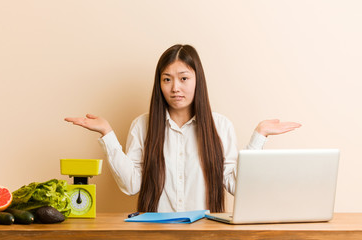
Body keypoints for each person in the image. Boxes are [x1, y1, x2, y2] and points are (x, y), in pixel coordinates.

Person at [65, 44, 301, 213]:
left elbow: (234, 185)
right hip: (155, 234)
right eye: (167, 79)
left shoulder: (220, 126)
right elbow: (131, 185)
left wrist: (258, 137)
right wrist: (108, 134)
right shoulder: (142, 125)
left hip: (206, 233)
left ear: (198, 80)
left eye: (184, 78)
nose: (175, 87)